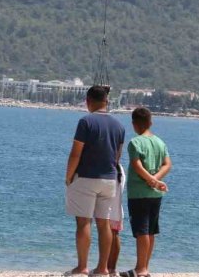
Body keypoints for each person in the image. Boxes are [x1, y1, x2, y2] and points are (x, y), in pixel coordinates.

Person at [65, 85, 126, 276]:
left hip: (86, 178)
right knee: (104, 224)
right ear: (107, 102)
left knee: (83, 223)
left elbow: (76, 153)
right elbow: (117, 156)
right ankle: (102, 269)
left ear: (88, 101)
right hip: (109, 179)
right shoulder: (119, 126)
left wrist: (69, 176)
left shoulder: (85, 122)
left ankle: (82, 267)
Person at [120, 107, 171, 277]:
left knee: (141, 231)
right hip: (155, 194)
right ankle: (143, 267)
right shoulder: (160, 142)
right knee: (150, 230)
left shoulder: (135, 143)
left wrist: (151, 181)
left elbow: (137, 166)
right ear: (150, 122)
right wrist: (156, 180)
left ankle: (141, 269)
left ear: (134, 124)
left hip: (139, 193)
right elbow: (167, 164)